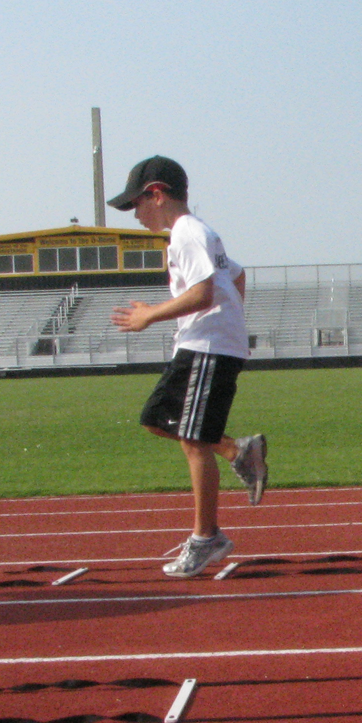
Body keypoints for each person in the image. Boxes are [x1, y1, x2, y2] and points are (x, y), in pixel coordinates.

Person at [108, 156, 268, 578]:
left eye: (135, 204)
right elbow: (236, 276)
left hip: (206, 346)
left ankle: (206, 537)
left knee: (193, 439)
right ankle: (237, 450)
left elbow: (202, 294)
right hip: (207, 343)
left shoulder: (188, 233)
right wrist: (231, 318)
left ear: (156, 194)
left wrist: (150, 315)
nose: (135, 215)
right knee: (158, 419)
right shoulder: (192, 234)